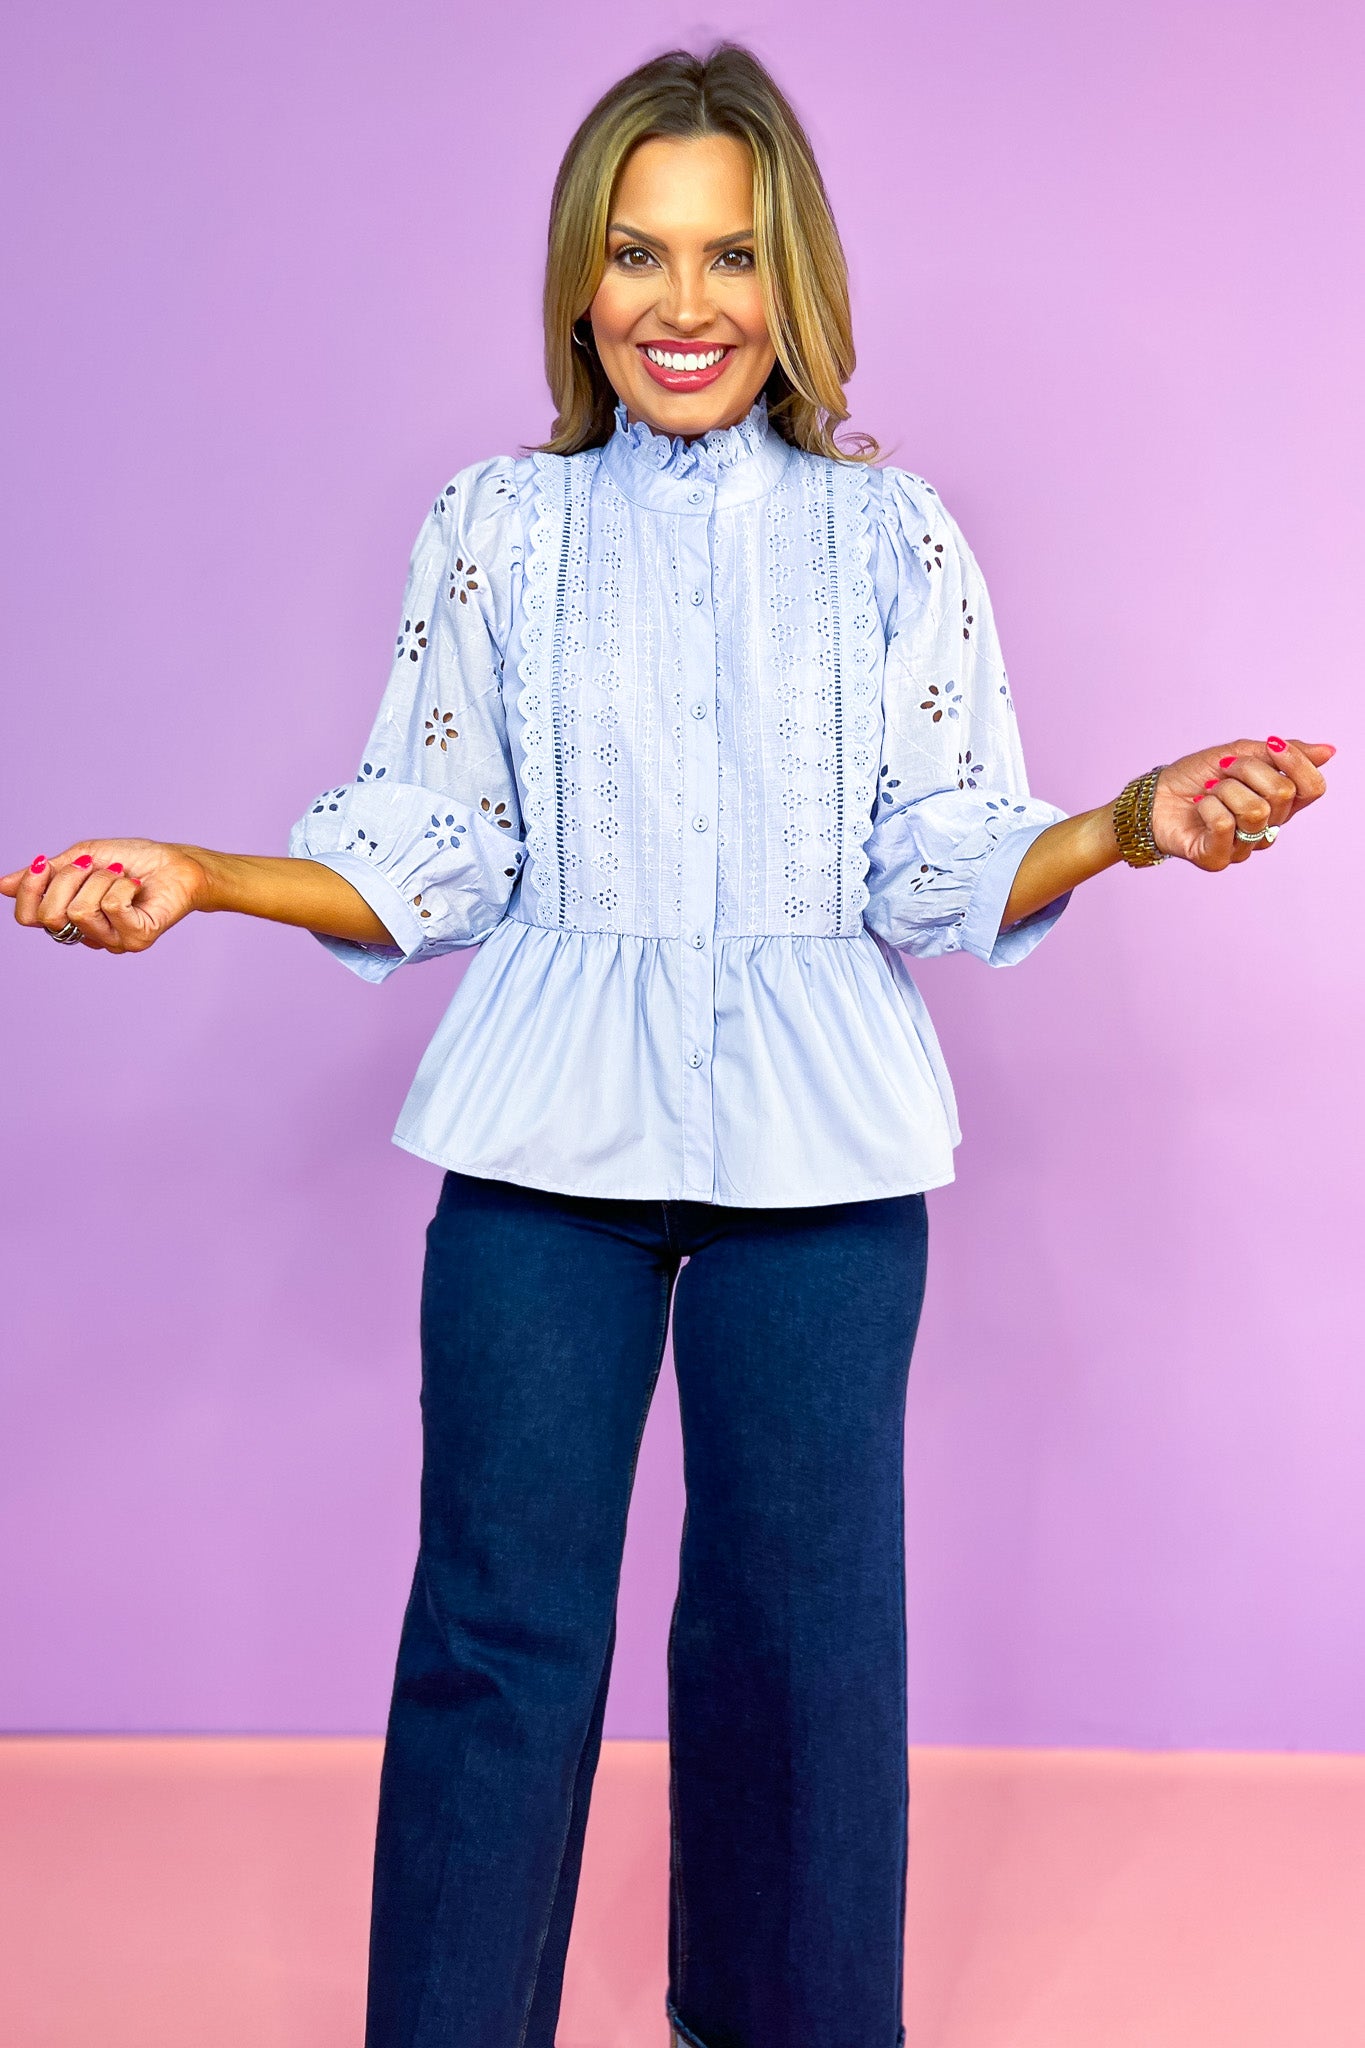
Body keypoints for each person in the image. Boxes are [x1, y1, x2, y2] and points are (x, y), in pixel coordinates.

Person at [2, 41, 1333, 2048]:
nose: (682, 304)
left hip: (824, 1168)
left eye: (727, 255)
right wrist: (192, 872)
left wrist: (1135, 817)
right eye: (637, 254)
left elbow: (938, 848)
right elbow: (431, 847)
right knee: (496, 1636)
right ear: (577, 280)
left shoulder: (888, 543)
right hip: (543, 1156)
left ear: (793, 281)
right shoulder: (491, 528)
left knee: (800, 1650)